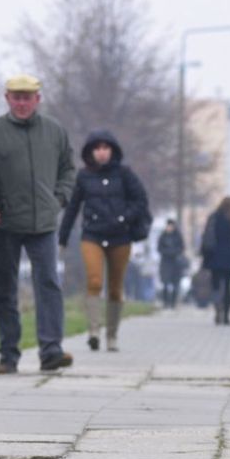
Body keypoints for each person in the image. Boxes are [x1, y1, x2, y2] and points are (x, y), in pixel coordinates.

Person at [0, 74, 75, 373]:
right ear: (7, 98)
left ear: (37, 99)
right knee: (4, 290)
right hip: (4, 223)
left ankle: (51, 350)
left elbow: (68, 170)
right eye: (16, 97)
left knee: (48, 285)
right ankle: (8, 354)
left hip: (43, 223)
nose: (22, 103)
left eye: (27, 98)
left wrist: (60, 198)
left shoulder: (55, 131)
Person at [58, 130, 150, 352]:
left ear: (112, 150)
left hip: (120, 237)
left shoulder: (125, 174)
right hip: (93, 235)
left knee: (115, 288)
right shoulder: (83, 176)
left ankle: (112, 335)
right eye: (97, 148)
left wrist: (124, 217)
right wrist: (63, 237)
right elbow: (72, 207)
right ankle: (94, 330)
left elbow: (140, 200)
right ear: (90, 152)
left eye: (105, 148)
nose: (101, 152)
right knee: (95, 281)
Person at [200, 196, 230, 325]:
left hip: (214, 256)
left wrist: (204, 255)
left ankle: (218, 310)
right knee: (228, 286)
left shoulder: (214, 217)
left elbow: (206, 236)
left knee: (216, 285)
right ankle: (226, 316)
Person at [157, 218, 186, 309]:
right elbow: (159, 248)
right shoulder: (163, 236)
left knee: (175, 284)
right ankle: (166, 302)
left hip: (175, 263)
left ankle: (173, 303)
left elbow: (181, 248)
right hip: (166, 263)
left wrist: (173, 252)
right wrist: (168, 252)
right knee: (165, 283)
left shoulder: (178, 236)